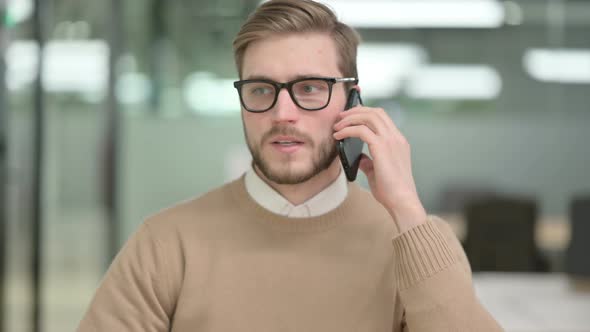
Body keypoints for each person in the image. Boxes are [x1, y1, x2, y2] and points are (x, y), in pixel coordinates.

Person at [78, 0, 502, 331]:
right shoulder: (166, 243)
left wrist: (408, 209)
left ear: (352, 100)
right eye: (261, 89)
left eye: (310, 88)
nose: (283, 113)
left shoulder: (413, 243)